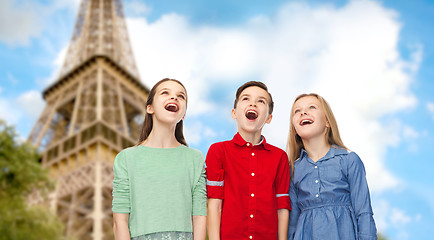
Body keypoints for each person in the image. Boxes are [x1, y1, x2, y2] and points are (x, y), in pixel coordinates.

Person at [112, 78, 207, 240]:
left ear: (183, 114)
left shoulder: (195, 159)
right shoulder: (126, 158)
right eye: (165, 93)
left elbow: (199, 217)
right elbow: (120, 220)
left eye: (181, 96)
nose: (174, 98)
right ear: (150, 108)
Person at [206, 81, 291, 240]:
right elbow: (214, 205)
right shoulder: (218, 151)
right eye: (246, 99)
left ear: (269, 118)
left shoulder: (279, 157)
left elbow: (282, 206)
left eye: (261, 101)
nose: (253, 103)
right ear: (234, 113)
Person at [286, 93, 377, 240]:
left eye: (312, 107)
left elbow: (364, 212)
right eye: (297, 111)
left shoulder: (349, 160)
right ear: (295, 128)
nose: (303, 112)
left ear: (327, 122)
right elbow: (292, 223)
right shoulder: (292, 170)